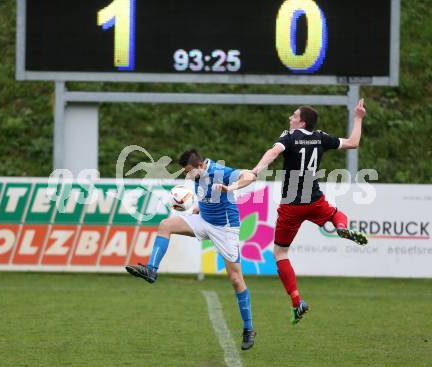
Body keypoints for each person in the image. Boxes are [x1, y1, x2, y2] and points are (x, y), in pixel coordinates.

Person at [249, 99, 369, 324]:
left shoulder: (290, 136)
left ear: (301, 121)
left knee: (281, 254)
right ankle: (341, 227)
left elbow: (273, 152)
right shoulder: (321, 137)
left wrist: (256, 170)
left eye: (293, 116)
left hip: (291, 205)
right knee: (334, 214)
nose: (290, 118)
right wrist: (359, 117)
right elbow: (353, 142)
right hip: (313, 199)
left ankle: (297, 301)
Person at [125, 149, 257, 350]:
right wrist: (198, 208)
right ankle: (151, 270)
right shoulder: (197, 175)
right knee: (165, 225)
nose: (186, 175)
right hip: (204, 220)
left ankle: (248, 328)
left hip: (225, 228)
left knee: (236, 279)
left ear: (201, 166)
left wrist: (232, 187)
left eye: (188, 171)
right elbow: (207, 195)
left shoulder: (219, 171)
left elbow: (249, 175)